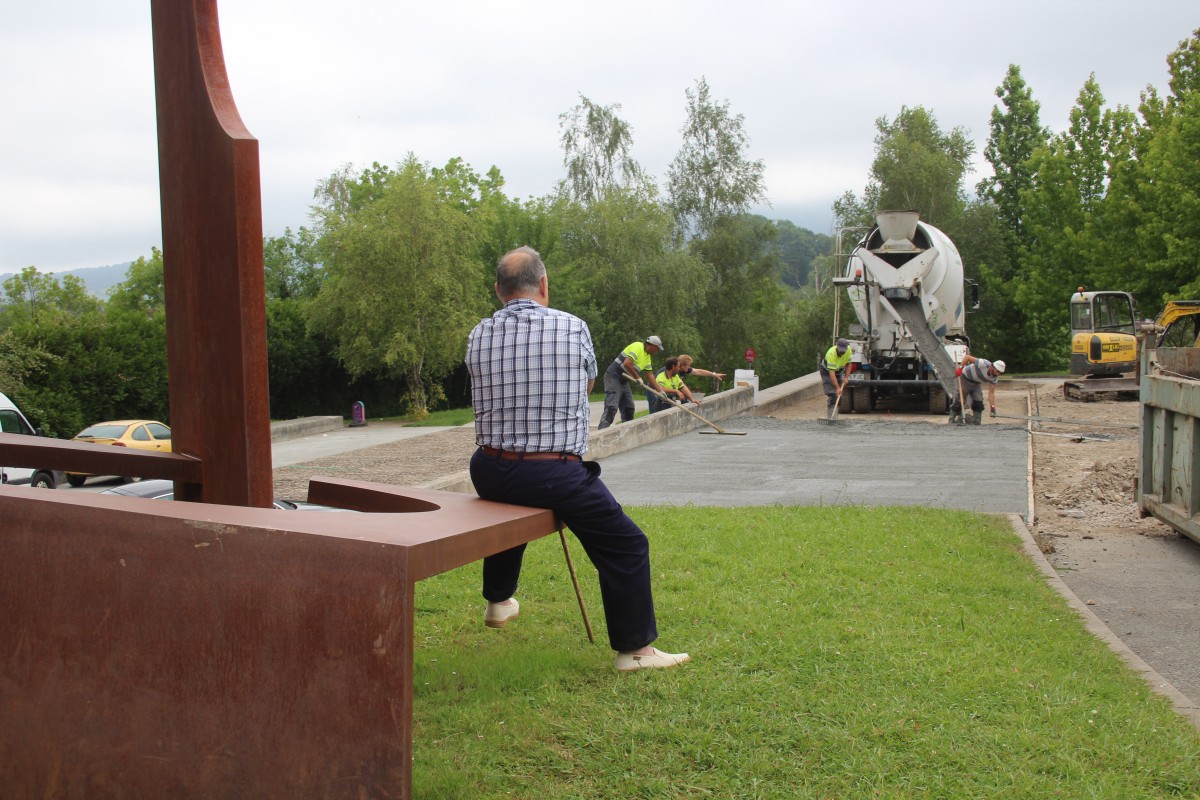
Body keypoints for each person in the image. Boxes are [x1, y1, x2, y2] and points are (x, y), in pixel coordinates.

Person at [465, 246, 689, 672]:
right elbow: (583, 389)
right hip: (551, 471)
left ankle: (498, 600)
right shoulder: (572, 327)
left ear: (498, 290)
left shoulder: (478, 333)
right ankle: (635, 652)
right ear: (544, 285)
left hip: (488, 468)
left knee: (509, 511)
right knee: (627, 544)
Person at [598, 335, 665, 429]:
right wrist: (638, 378)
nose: (657, 351)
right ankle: (602, 431)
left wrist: (660, 391)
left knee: (629, 408)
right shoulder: (638, 346)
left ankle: (626, 432)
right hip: (613, 376)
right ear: (653, 346)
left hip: (624, 380)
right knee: (612, 406)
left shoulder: (647, 358)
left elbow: (650, 376)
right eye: (657, 349)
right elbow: (627, 363)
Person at [644, 354, 724, 412]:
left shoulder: (678, 372)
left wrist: (713, 374)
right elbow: (659, 388)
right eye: (688, 366)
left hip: (666, 392)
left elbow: (696, 372)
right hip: (653, 391)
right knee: (655, 412)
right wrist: (677, 391)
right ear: (681, 365)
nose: (689, 368)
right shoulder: (668, 372)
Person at [949, 355, 1006, 424]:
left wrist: (992, 407)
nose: (997, 374)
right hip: (964, 379)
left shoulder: (994, 378)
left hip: (976, 383)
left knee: (978, 402)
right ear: (992, 366)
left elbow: (991, 393)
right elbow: (967, 357)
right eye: (996, 371)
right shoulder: (983, 363)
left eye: (999, 373)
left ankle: (976, 422)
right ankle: (951, 421)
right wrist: (960, 368)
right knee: (959, 401)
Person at [820, 338, 855, 420]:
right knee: (832, 394)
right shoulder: (831, 354)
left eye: (844, 350)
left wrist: (846, 377)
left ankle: (835, 417)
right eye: (840, 350)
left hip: (839, 369)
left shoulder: (848, 350)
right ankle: (831, 418)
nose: (842, 352)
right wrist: (837, 388)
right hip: (827, 371)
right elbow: (831, 374)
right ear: (837, 347)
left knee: (838, 395)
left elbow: (849, 365)